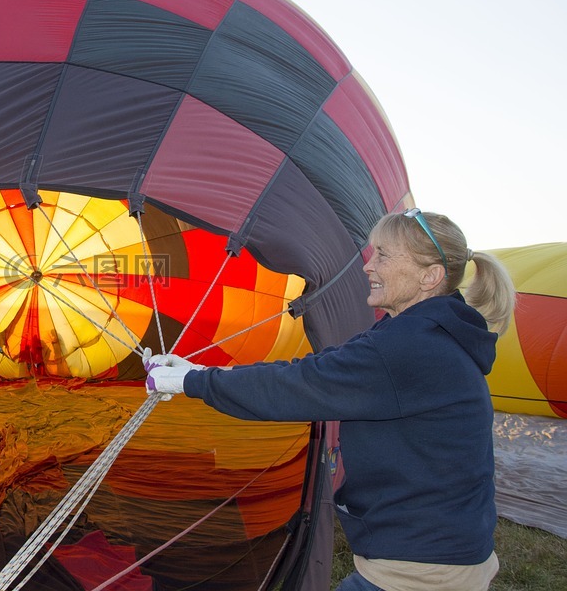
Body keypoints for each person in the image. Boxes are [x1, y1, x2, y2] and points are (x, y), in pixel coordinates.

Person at [145, 208, 516, 591]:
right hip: (440, 553)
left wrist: (192, 383)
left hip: (421, 571)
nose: (367, 267)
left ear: (430, 276)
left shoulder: (411, 346)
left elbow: (296, 386)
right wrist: (200, 372)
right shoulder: (417, 334)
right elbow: (317, 367)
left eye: (384, 255)